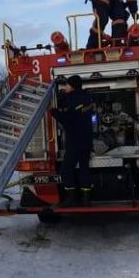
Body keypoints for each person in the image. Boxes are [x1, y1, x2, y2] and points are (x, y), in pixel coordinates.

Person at [50, 75, 95, 207]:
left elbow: (68, 118)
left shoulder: (73, 100)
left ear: (73, 86)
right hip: (87, 141)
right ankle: (86, 199)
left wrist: (54, 112)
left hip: (75, 141)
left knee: (66, 169)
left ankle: (70, 198)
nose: (65, 87)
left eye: (67, 85)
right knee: (84, 169)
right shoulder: (86, 98)